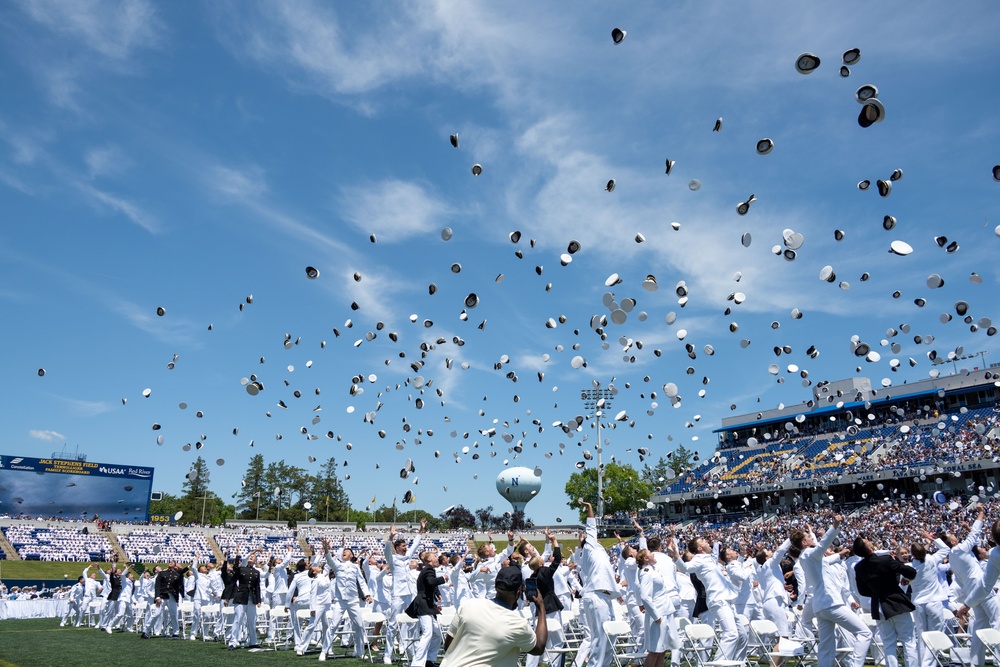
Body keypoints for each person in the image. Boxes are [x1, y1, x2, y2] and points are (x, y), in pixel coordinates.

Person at [792, 516, 871, 667]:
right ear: (804, 542)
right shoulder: (809, 554)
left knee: (826, 646)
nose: (811, 537)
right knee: (865, 633)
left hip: (821, 607)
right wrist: (835, 524)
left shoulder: (807, 558)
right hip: (831, 604)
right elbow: (823, 545)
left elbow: (826, 561)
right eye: (808, 536)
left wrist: (840, 554)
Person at [439, 565, 547, 667]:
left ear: (495, 587)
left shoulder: (468, 605)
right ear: (518, 592)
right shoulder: (516, 624)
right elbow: (539, 647)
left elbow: (448, 645)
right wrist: (541, 607)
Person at [852, 536, 918, 667]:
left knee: (888, 643)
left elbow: (863, 591)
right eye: (867, 541)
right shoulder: (885, 560)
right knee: (908, 640)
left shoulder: (859, 567)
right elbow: (911, 572)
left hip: (878, 605)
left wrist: (877, 591)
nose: (869, 540)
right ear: (869, 548)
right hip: (896, 602)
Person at [577, 500, 621, 667]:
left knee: (611, 636)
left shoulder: (600, 553)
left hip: (605, 596)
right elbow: (591, 530)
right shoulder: (590, 549)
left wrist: (618, 595)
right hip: (595, 596)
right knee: (600, 639)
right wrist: (590, 509)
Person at [384, 519, 426, 665]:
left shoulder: (407, 557)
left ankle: (412, 652)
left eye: (405, 545)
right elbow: (386, 550)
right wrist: (391, 536)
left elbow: (415, 545)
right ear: (397, 548)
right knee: (393, 624)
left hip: (409, 594)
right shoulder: (393, 559)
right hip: (397, 594)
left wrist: (421, 530)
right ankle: (387, 654)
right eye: (403, 546)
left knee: (412, 623)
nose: (405, 547)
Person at [325, 537, 373, 658]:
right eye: (343, 552)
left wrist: (367, 594)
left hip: (353, 601)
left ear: (351, 555)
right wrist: (326, 549)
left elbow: (361, 582)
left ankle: (360, 652)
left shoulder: (355, 567)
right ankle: (324, 651)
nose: (343, 553)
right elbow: (329, 559)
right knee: (333, 625)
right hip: (340, 601)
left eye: (346, 552)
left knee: (359, 625)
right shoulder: (337, 565)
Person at [526, 529, 566, 667]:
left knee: (538, 639)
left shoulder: (532, 578)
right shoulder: (545, 572)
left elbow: (529, 596)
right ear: (540, 564)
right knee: (558, 639)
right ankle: (554, 664)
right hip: (551, 607)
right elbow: (557, 560)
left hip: (539, 609)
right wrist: (555, 541)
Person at [637, 548, 680, 667]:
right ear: (646, 559)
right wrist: (656, 616)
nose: (653, 555)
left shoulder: (653, 569)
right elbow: (645, 597)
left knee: (662, 650)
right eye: (650, 554)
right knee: (655, 650)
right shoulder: (646, 572)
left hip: (666, 610)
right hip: (658, 613)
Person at [409, 549, 448, 667]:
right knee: (428, 633)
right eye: (435, 556)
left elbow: (428, 586)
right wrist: (443, 578)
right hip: (423, 604)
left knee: (436, 633)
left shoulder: (428, 570)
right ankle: (417, 663)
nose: (437, 558)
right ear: (430, 559)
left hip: (427, 604)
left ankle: (429, 660)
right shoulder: (429, 569)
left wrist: (435, 600)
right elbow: (431, 582)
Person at [230, 549, 264, 650]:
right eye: (250, 557)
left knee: (252, 621)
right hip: (241, 597)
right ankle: (233, 642)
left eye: (253, 557)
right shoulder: (241, 569)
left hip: (251, 598)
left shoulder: (256, 572)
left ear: (255, 561)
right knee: (238, 620)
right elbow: (235, 573)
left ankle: (253, 641)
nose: (251, 557)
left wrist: (258, 600)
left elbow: (257, 587)